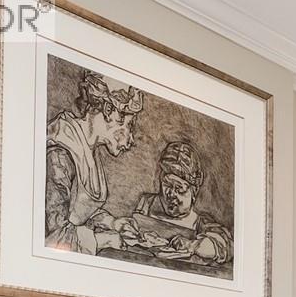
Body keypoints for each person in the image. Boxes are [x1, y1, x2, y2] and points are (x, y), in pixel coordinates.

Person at [43, 70, 143, 254]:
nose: (131, 140)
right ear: (108, 110)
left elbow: (77, 212)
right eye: (129, 125)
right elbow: (52, 236)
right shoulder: (60, 152)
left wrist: (112, 223)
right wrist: (102, 240)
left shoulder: (88, 149)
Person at [131, 139, 233, 268]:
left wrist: (192, 245)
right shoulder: (146, 204)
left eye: (179, 188)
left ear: (193, 192)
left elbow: (224, 246)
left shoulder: (201, 223)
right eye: (167, 184)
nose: (171, 194)